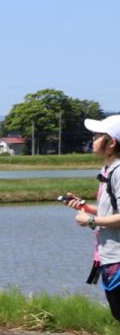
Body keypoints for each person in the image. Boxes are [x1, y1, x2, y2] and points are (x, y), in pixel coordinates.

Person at [62, 115, 120, 322]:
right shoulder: (108, 170)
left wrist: (91, 221)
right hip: (110, 256)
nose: (93, 138)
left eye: (97, 135)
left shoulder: (119, 171)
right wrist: (85, 207)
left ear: (111, 142)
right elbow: (112, 211)